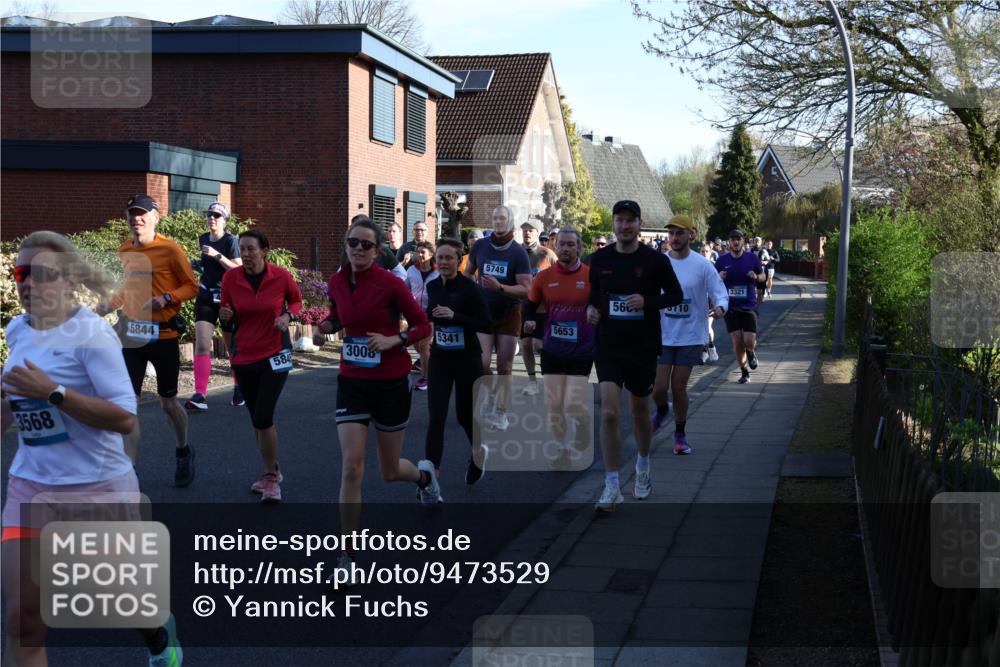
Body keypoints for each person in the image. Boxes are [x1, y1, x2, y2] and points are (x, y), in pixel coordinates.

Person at [1, 231, 183, 666]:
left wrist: (53, 393)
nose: (27, 283)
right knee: (21, 621)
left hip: (98, 489)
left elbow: (125, 418)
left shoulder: (92, 335)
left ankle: (158, 632)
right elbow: (15, 406)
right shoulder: (17, 329)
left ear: (68, 281)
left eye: (40, 274)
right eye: (21, 273)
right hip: (30, 488)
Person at [313, 218, 434, 576]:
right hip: (352, 380)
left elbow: (423, 325)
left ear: (378, 250)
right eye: (354, 242)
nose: (358, 249)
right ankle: (347, 557)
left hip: (391, 381)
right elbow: (338, 316)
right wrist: (326, 327)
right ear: (346, 244)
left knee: (389, 470)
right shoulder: (336, 281)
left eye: (366, 244)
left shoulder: (391, 284)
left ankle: (425, 480)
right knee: (352, 466)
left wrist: (394, 340)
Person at [586, 200, 682, 511]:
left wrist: (648, 301)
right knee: (610, 413)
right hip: (609, 346)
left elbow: (676, 295)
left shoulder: (654, 261)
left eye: (630, 221)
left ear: (639, 224)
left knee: (639, 410)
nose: (624, 226)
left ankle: (642, 467)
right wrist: (591, 310)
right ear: (613, 224)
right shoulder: (599, 259)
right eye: (619, 220)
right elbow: (594, 297)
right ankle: (612, 485)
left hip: (642, 346)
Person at [97, 194, 199, 485]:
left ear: (156, 217)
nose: (136, 219)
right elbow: (126, 289)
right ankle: (127, 469)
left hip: (164, 334)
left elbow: (191, 285)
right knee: (127, 402)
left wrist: (168, 297)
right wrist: (105, 306)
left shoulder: (170, 249)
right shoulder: (125, 249)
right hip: (132, 335)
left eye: (142, 214)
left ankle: (183, 450)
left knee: (168, 403)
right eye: (132, 214)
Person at [219, 229, 302, 503]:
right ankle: (273, 469)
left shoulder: (280, 276)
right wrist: (225, 317)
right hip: (245, 357)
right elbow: (228, 320)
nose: (245, 254)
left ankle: (269, 478)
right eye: (242, 249)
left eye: (251, 249)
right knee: (257, 420)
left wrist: (287, 317)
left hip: (276, 354)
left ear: (264, 250)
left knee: (264, 416)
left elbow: (297, 300)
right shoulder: (231, 278)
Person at [650, 216, 728, 455]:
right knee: (658, 389)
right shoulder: (659, 262)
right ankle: (663, 409)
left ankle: (680, 435)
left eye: (679, 233)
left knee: (679, 386)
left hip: (692, 335)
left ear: (691, 235)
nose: (674, 238)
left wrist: (721, 307)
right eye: (671, 234)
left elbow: (719, 292)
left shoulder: (702, 264)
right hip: (664, 334)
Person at [423, 238, 493, 486]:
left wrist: (456, 316)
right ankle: (432, 476)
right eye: (440, 258)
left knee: (465, 416)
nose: (443, 262)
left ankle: (478, 452)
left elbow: (486, 323)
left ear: (458, 260)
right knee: (436, 417)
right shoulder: (431, 287)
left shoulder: (469, 288)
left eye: (448, 258)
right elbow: (426, 316)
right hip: (440, 358)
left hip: (467, 360)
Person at [523, 227, 596, 463]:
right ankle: (562, 448)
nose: (565, 248)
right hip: (552, 347)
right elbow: (530, 306)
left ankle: (582, 422)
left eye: (570, 244)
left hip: (582, 349)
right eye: (562, 244)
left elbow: (601, 306)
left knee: (572, 403)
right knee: (555, 403)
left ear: (578, 248)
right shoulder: (544, 277)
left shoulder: (590, 276)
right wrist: (529, 322)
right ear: (555, 247)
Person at [463, 205, 532, 431]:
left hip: (508, 314)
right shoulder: (481, 245)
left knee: (505, 366)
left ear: (510, 222)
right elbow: (467, 273)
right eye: (495, 218)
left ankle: (502, 413)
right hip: (483, 312)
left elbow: (526, 290)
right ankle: (491, 392)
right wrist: (468, 290)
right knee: (480, 364)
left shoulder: (518, 252)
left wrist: (499, 287)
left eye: (502, 218)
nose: (498, 222)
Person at [186, 202, 242, 412]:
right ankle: (200, 394)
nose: (212, 218)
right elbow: (208, 266)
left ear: (224, 220)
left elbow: (237, 269)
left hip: (228, 300)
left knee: (231, 347)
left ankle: (238, 387)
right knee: (202, 344)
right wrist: (198, 264)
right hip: (206, 296)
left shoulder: (231, 240)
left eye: (217, 215)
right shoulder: (203, 238)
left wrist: (218, 256)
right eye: (210, 214)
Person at [716, 230, 765, 384]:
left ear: (743, 241)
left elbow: (763, 277)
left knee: (749, 340)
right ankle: (744, 372)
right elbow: (712, 282)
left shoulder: (752, 258)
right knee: (737, 341)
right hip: (730, 307)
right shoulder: (721, 261)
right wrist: (719, 277)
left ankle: (750, 352)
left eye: (738, 239)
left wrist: (756, 277)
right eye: (733, 239)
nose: (736, 242)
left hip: (749, 305)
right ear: (728, 242)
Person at [518, 220, 557, 397]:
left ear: (537, 232)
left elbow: (560, 274)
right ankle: (532, 381)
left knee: (539, 345)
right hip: (522, 306)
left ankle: (548, 377)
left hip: (543, 307)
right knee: (526, 344)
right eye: (524, 230)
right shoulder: (516, 252)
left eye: (531, 230)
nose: (527, 233)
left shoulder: (547, 254)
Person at [405, 241, 438, 391]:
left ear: (431, 254)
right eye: (418, 252)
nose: (420, 255)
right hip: (415, 314)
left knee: (424, 346)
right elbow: (405, 289)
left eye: (423, 252)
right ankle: (433, 365)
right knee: (418, 346)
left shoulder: (437, 272)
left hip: (431, 314)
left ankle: (427, 378)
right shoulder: (412, 270)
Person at [339, 215, 407, 281]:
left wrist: (386, 287)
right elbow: (341, 272)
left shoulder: (382, 249)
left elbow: (402, 274)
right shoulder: (348, 248)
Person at [699, 243, 721, 363]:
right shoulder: (695, 266)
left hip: (709, 301)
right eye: (702, 251)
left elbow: (717, 286)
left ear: (711, 253)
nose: (704, 253)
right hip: (697, 301)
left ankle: (711, 347)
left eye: (706, 251)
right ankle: (703, 351)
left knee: (707, 327)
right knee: (699, 327)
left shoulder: (713, 267)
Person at [753, 237, 771, 302]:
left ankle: (761, 296)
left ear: (760, 243)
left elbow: (768, 260)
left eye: (758, 241)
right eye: (756, 241)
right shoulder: (750, 250)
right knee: (752, 285)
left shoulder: (763, 251)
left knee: (761, 286)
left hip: (761, 271)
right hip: (752, 271)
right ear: (754, 242)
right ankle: (753, 298)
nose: (757, 242)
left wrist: (765, 262)